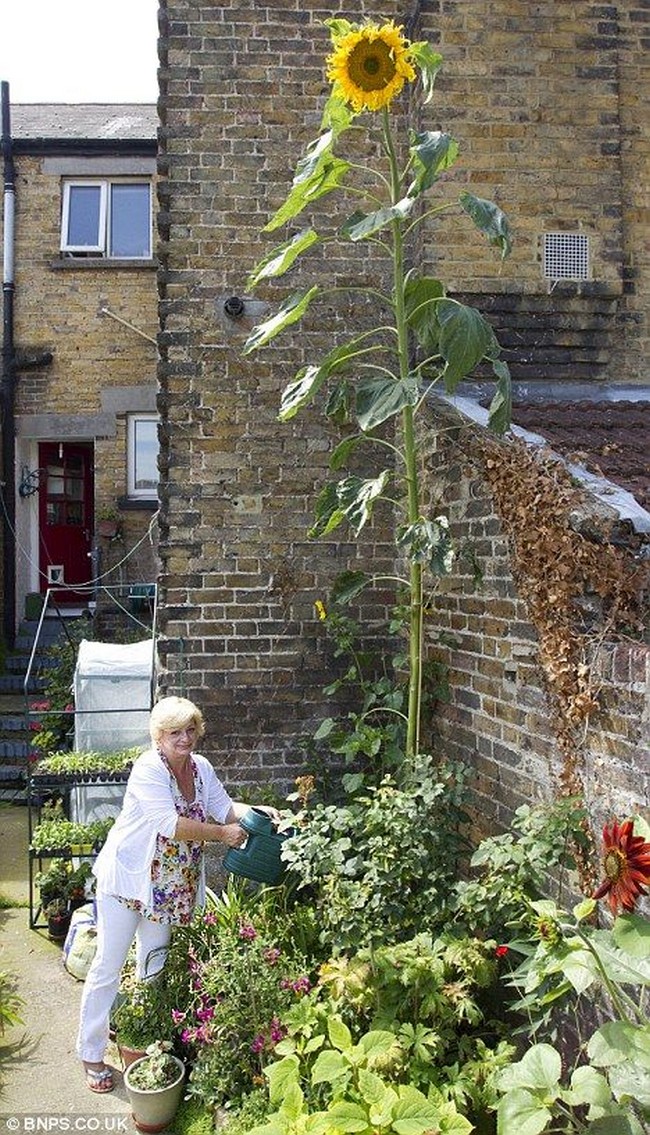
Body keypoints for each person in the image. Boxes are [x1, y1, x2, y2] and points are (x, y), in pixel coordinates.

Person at [77, 695, 277, 1093]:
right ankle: (91, 1054)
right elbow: (169, 823)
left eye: (190, 730)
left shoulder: (201, 768)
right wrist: (222, 836)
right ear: (159, 736)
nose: (184, 738)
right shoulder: (149, 768)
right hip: (127, 883)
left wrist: (261, 811)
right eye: (174, 732)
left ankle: (147, 1046)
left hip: (167, 890)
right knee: (107, 968)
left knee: (153, 969)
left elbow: (223, 807)